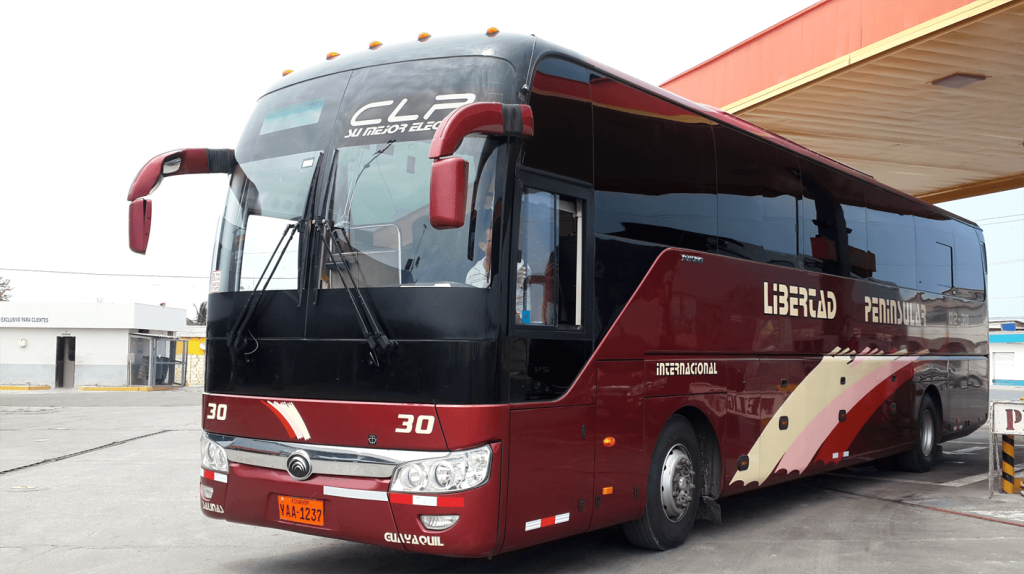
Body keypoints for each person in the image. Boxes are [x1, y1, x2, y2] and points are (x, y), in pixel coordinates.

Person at [466, 227, 530, 321]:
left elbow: (526, 317)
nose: (499, 244)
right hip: (483, 327)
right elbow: (470, 313)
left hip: (513, 327)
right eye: (494, 240)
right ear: (482, 246)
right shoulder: (472, 274)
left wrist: (520, 286)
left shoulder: (520, 267)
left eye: (502, 239)